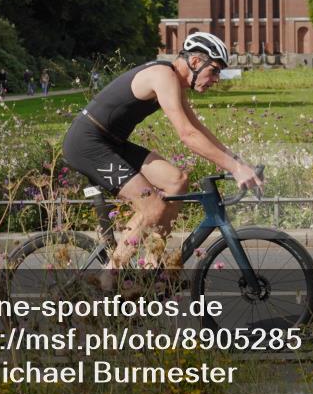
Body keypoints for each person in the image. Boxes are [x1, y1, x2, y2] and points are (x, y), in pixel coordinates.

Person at [62, 32, 261, 288]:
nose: (216, 79)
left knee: (177, 181)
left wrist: (238, 162)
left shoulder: (175, 81)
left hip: (111, 142)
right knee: (153, 207)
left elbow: (197, 128)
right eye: (215, 70)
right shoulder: (163, 75)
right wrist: (233, 168)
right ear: (197, 61)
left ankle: (151, 271)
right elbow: (187, 135)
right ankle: (108, 276)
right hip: (87, 144)